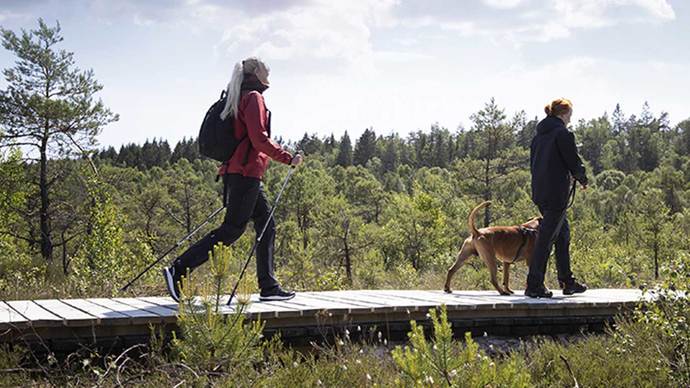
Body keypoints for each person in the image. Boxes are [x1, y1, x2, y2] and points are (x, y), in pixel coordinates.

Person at [163, 57, 303, 302]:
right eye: (265, 67)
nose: (269, 69)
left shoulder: (238, 96)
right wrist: (287, 158)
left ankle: (268, 286)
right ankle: (179, 269)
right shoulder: (253, 98)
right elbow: (259, 139)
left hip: (242, 172)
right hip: (244, 173)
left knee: (266, 224)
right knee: (232, 230)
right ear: (257, 73)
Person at [525, 98, 588, 298]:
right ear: (563, 114)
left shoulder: (538, 137)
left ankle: (567, 281)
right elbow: (572, 160)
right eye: (570, 115)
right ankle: (534, 285)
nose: (571, 119)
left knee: (562, 235)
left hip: (540, 192)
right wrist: (582, 178)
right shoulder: (563, 134)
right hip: (556, 194)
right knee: (546, 239)